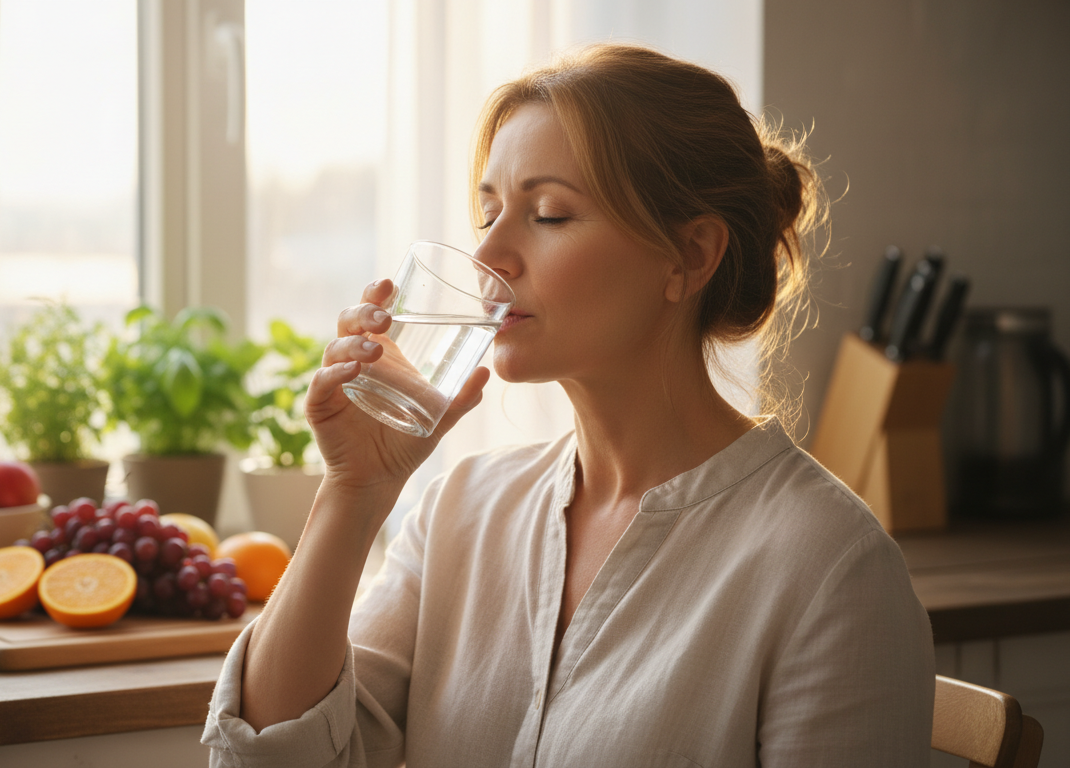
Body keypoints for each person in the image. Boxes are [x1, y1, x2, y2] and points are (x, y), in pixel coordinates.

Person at [202, 44, 934, 767]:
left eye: (549, 214)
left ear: (690, 257)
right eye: (488, 212)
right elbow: (266, 759)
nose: (489, 256)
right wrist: (354, 491)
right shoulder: (461, 510)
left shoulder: (831, 567)